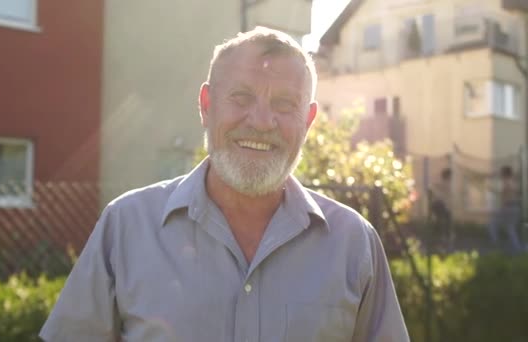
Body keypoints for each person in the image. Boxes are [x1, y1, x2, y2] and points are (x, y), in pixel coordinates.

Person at [40, 27, 409, 341]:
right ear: (205, 104)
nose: (262, 121)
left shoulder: (354, 243)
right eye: (241, 97)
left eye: (284, 104)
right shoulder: (125, 226)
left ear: (309, 120)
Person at [488, 165, 522, 252]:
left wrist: (492, 190)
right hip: (515, 207)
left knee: (492, 224)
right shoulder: (513, 182)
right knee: (510, 228)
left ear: (505, 174)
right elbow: (508, 194)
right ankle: (517, 248)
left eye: (501, 173)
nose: (500, 175)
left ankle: (496, 244)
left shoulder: (507, 182)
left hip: (508, 207)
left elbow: (504, 194)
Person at [429, 168, 454, 249]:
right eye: (449, 176)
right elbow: (433, 191)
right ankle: (440, 241)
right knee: (442, 224)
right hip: (440, 206)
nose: (450, 178)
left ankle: (443, 240)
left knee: (444, 224)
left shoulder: (446, 184)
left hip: (443, 208)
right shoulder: (442, 184)